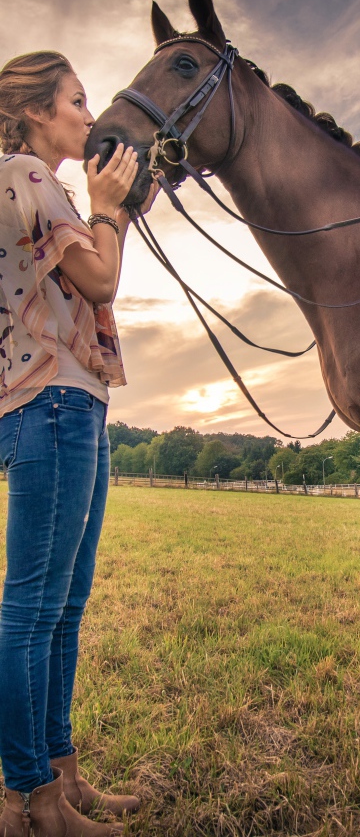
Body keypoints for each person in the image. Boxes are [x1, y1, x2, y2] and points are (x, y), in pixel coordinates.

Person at [0, 52, 155, 837]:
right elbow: (99, 281)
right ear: (36, 112)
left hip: (73, 400)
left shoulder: (41, 184)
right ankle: (31, 802)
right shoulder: (26, 173)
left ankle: (61, 775)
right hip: (52, 400)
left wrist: (105, 209)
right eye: (77, 101)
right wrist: (108, 207)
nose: (90, 118)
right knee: (33, 608)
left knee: (63, 606)